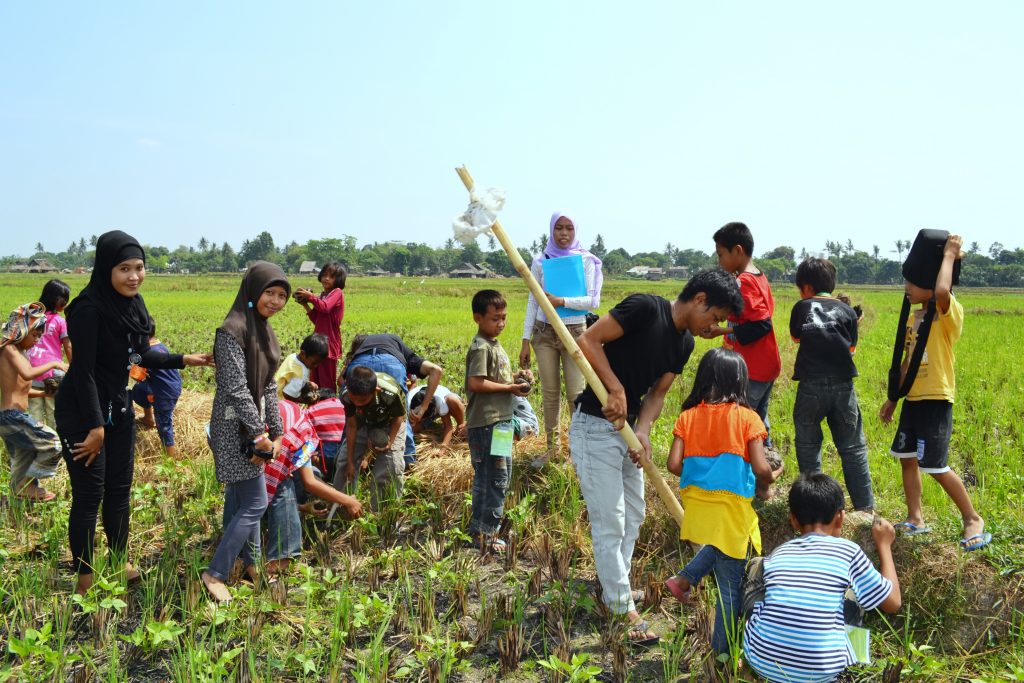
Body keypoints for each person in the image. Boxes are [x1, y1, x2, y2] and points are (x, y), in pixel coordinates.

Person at [570, 268, 743, 644]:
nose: (712, 327)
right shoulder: (645, 308)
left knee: (635, 512)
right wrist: (614, 389)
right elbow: (588, 341)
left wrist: (644, 431)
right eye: (713, 317)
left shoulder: (684, 344)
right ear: (699, 299)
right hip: (593, 426)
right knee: (610, 520)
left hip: (627, 430)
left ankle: (613, 583)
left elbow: (657, 394)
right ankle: (620, 607)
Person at [55, 231, 213, 595]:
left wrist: (183, 359)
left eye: (139, 267)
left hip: (118, 406)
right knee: (88, 495)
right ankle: (84, 578)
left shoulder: (134, 305)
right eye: (124, 268)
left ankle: (119, 558)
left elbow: (141, 354)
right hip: (82, 411)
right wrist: (95, 427)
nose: (133, 276)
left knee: (119, 490)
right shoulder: (88, 309)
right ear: (106, 269)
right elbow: (84, 372)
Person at [661, 348, 783, 655]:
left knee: (718, 547)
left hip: (699, 505)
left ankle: (683, 579)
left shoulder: (687, 417)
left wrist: (703, 474)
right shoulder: (748, 419)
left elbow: (674, 465)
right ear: (740, 382)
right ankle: (722, 653)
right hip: (731, 509)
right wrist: (774, 475)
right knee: (730, 590)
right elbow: (759, 469)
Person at [880, 234, 988, 550]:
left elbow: (942, 290)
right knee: (907, 459)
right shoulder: (915, 319)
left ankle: (972, 518)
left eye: (913, 282)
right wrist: (893, 397)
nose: (906, 287)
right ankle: (916, 517)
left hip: (936, 399)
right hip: (913, 399)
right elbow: (908, 362)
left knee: (935, 466)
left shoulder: (946, 313)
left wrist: (950, 254)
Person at [744, 473, 901, 682]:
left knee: (758, 565)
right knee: (856, 591)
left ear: (793, 520)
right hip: (822, 672)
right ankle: (854, 661)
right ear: (840, 517)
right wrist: (884, 545)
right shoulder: (848, 551)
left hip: (761, 661)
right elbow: (893, 603)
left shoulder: (780, 552)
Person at [202, 261, 290, 603]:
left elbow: (269, 386)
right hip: (231, 427)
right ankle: (216, 573)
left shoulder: (266, 332)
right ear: (253, 291)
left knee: (244, 500)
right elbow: (236, 388)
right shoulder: (231, 330)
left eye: (282, 295)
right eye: (269, 292)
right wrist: (257, 433)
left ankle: (251, 564)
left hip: (252, 427)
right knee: (256, 502)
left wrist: (277, 430)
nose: (275, 301)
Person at [519, 212, 604, 467]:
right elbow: (534, 301)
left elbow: (592, 300)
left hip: (575, 333)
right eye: (559, 228)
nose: (564, 234)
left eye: (568, 228)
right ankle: (552, 449)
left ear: (575, 231)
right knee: (550, 393)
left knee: (575, 394)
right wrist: (525, 339)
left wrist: (561, 302)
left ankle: (576, 451)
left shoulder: (586, 261)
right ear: (551, 231)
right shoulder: (540, 261)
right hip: (544, 333)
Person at [789, 258, 875, 511]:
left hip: (810, 387)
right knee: (853, 449)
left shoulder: (801, 307)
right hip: (842, 387)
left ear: (805, 287)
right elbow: (851, 349)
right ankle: (865, 510)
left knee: (808, 448)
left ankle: (814, 510)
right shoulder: (847, 311)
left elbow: (796, 337)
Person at [465, 290, 532, 551]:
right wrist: (509, 389)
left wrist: (518, 378)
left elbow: (497, 378)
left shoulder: (494, 344)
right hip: (487, 424)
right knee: (491, 477)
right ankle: (484, 534)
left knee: (500, 475)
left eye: (504, 318)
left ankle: (485, 531)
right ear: (478, 318)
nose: (501, 323)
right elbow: (476, 383)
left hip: (502, 422)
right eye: (495, 319)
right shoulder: (481, 346)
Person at [264, 397, 362, 576]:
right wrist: (348, 500)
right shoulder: (303, 432)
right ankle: (281, 560)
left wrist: (302, 508)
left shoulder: (285, 411)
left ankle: (244, 554)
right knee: (284, 487)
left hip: (247, 473)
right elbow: (310, 482)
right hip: (267, 479)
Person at [707, 222, 781, 453]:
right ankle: (765, 477)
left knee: (741, 424)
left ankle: (752, 474)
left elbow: (761, 324)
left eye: (721, 255)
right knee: (758, 422)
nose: (719, 262)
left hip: (753, 367)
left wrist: (722, 331)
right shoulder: (759, 276)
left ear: (737, 251)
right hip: (766, 364)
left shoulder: (745, 281)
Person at [343, 332, 444, 468]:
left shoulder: (360, 351)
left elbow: (341, 381)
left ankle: (345, 466)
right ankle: (409, 463)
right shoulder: (401, 349)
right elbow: (436, 370)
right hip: (391, 364)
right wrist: (424, 406)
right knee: (401, 416)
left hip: (360, 365)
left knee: (352, 419)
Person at [1, 303, 66, 502]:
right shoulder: (9, 348)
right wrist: (55, 362)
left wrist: (46, 394)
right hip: (11, 416)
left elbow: (24, 389)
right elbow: (28, 374)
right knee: (53, 443)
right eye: (35, 335)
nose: (37, 340)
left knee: (22, 461)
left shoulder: (21, 354)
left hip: (14, 417)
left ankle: (17, 509)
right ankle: (25, 486)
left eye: (40, 336)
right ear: (22, 330)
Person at [332, 365, 407, 507]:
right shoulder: (347, 395)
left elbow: (398, 419)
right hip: (363, 421)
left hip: (390, 422)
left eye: (362, 401)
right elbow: (352, 426)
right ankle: (342, 508)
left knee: (389, 467)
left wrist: (390, 443)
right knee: (343, 464)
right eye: (354, 400)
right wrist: (350, 462)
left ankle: (382, 513)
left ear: (376, 391)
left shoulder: (390, 393)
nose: (357, 404)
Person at [130, 321, 184, 458]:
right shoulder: (160, 346)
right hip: (171, 385)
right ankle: (148, 418)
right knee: (138, 391)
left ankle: (170, 460)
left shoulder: (144, 353)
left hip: (164, 392)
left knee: (164, 425)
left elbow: (136, 376)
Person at [292, 262, 346, 393]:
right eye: (325, 275)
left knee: (327, 382)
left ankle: (329, 407)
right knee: (315, 380)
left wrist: (310, 297)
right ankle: (316, 407)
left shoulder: (337, 292)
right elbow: (316, 319)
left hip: (329, 344)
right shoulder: (322, 295)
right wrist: (305, 304)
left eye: (331, 276)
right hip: (318, 343)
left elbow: (325, 307)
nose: (326, 278)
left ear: (338, 280)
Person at [26, 279, 72, 429]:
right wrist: (72, 366)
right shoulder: (60, 321)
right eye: (64, 300)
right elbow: (68, 346)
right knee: (54, 412)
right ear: (56, 300)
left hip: (31, 370)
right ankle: (55, 445)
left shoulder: (32, 317)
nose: (65, 303)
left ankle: (39, 444)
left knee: (34, 412)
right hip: (52, 374)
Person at [407, 382, 466, 446]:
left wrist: (444, 445)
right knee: (411, 429)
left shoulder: (440, 400)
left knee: (452, 400)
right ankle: (427, 424)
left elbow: (448, 426)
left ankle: (461, 427)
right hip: (420, 412)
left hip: (444, 403)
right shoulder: (408, 403)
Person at [274, 333, 328, 401]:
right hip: (279, 401)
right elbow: (288, 395)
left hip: (274, 392)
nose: (316, 365)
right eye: (314, 362)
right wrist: (304, 400)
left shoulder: (293, 357)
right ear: (303, 354)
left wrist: (307, 383)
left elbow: (291, 377)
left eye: (319, 363)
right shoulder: (300, 374)